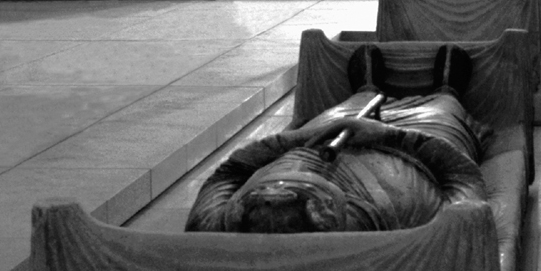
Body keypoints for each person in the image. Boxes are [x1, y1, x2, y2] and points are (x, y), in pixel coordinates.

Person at [186, 44, 489, 234]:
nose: (276, 190)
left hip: (319, 141)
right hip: (412, 151)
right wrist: (390, 135)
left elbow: (229, 171)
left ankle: (366, 89)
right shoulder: (410, 229)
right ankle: (446, 89)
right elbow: (461, 176)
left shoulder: (218, 226)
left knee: (345, 112)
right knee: (439, 111)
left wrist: (298, 140)